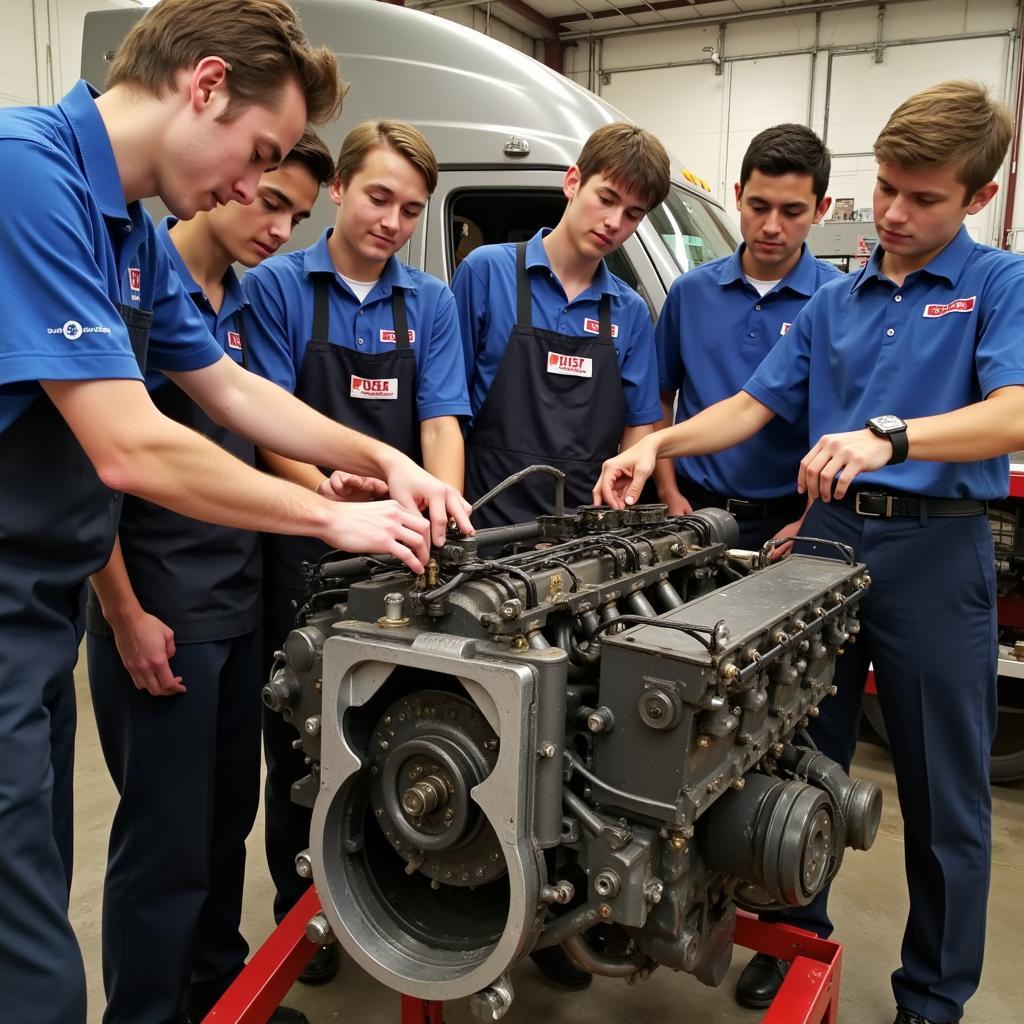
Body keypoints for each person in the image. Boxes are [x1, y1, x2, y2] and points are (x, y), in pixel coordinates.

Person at [0, 3, 470, 1022]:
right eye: (255, 154)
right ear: (202, 84)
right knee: (30, 959)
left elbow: (229, 391)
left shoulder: (132, 231)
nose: (250, 188)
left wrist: (386, 462)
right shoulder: (24, 172)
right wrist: (328, 520)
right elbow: (130, 441)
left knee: (36, 877)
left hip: (33, 621)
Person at [595, 80, 1023, 1024]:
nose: (897, 215)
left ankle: (934, 996)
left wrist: (892, 437)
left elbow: (1013, 410)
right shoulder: (838, 301)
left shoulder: (997, 286)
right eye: (887, 190)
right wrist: (653, 446)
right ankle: (800, 934)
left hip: (934, 550)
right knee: (787, 750)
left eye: (924, 198)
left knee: (943, 793)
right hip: (826, 542)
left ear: (979, 198)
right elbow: (751, 405)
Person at [86, 128, 336, 1024]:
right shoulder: (133, 289)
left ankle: (223, 996)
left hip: (234, 602)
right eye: (269, 199)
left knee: (227, 821)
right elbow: (99, 465)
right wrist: (121, 611)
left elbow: (254, 421)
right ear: (230, 173)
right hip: (161, 608)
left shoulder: (235, 305)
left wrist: (340, 479)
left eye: (297, 216)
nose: (280, 227)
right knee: (164, 845)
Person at [242, 118, 471, 978]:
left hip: (401, 561)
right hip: (304, 558)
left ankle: (387, 899)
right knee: (300, 744)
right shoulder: (275, 288)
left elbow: (440, 420)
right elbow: (267, 425)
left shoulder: (431, 303)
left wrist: (439, 514)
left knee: (398, 729)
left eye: (411, 210)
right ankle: (302, 915)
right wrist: (324, 505)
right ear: (338, 188)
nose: (392, 221)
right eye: (379, 197)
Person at [452, 123, 670, 529]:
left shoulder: (630, 312)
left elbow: (639, 424)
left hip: (582, 537)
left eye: (632, 214)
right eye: (606, 199)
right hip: (482, 525)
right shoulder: (486, 273)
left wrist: (616, 510)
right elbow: (447, 408)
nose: (613, 222)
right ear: (573, 182)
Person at [655, 124, 839, 553]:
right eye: (758, 205)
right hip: (691, 513)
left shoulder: (838, 301)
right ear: (737, 195)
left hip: (786, 522)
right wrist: (667, 493)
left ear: (821, 208)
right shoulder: (690, 293)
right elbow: (660, 398)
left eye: (792, 211)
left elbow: (841, 418)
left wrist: (806, 520)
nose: (771, 226)